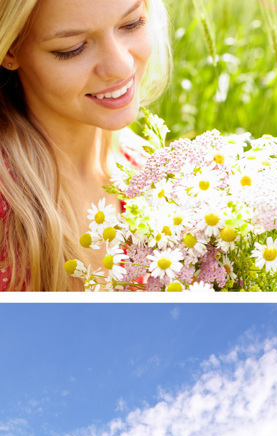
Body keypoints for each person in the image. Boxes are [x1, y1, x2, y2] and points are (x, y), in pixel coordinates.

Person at [0, 0, 172, 291]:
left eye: (132, 23)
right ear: (11, 49)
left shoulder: (157, 176)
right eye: (73, 48)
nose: (121, 66)